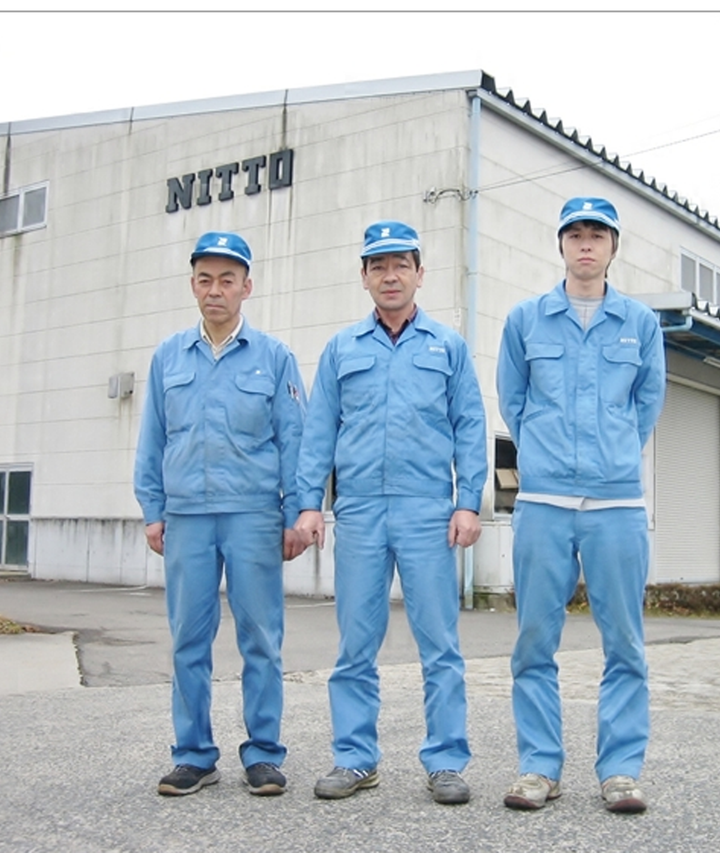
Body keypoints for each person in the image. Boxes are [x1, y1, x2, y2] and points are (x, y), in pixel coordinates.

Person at [294, 220, 487, 805]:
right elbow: (319, 431)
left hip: (428, 511)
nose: (390, 275)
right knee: (355, 643)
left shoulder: (448, 347)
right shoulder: (342, 349)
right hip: (359, 511)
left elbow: (470, 426)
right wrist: (309, 503)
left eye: (401, 264)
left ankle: (446, 761)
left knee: (440, 644)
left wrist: (468, 501)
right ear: (364, 277)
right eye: (378, 265)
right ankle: (355, 759)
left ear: (420, 274)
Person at [496, 197, 666, 813]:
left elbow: (646, 403)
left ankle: (619, 771)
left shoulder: (640, 323)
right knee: (533, 641)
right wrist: (547, 453)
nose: (586, 244)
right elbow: (513, 400)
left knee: (625, 643)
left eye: (598, 234)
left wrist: (611, 452)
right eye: (575, 234)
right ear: (562, 245)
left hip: (615, 502)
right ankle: (539, 768)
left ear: (613, 247)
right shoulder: (526, 320)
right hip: (543, 500)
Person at [134, 231, 308, 798]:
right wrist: (153, 509)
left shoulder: (274, 358)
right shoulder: (168, 357)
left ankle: (264, 754)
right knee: (188, 640)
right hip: (186, 517)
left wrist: (296, 513)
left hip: (253, 516)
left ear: (246, 288)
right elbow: (153, 439)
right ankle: (193, 755)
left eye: (227, 280)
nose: (215, 290)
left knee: (261, 639)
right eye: (205, 279)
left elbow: (295, 442)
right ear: (193, 286)